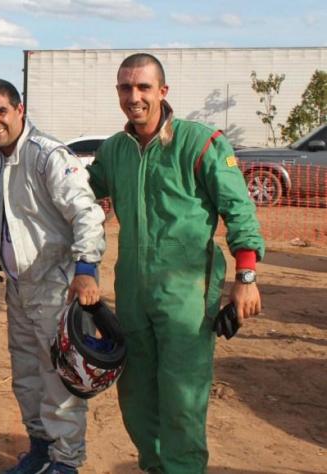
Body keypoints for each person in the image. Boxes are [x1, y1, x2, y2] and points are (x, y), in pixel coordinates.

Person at [87, 53, 264, 473]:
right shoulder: (113, 151)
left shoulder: (199, 143)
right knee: (136, 397)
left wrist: (246, 276)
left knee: (182, 399)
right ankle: (153, 465)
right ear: (117, 93)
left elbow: (239, 210)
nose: (135, 96)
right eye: (126, 88)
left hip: (186, 297)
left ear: (163, 92)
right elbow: (80, 197)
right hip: (132, 295)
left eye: (144, 87)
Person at [0, 79, 106, 474]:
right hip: (19, 286)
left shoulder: (48, 155)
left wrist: (85, 270)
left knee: (58, 379)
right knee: (27, 376)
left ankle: (65, 461)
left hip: (56, 286)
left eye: (1, 112)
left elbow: (87, 213)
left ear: (20, 110)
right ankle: (41, 449)